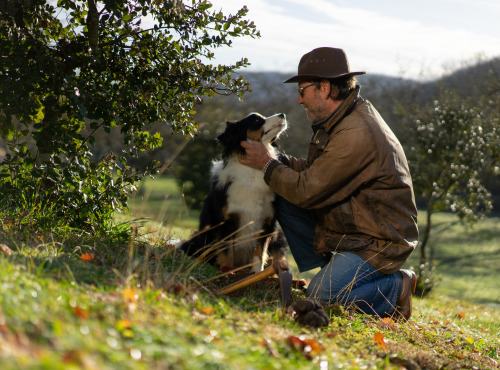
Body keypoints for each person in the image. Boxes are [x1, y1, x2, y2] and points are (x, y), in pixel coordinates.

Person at [239, 47, 419, 321]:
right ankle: (334, 272)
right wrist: (277, 160)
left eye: (302, 91)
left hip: (378, 241)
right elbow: (316, 174)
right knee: (280, 188)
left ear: (324, 88)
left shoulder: (355, 132)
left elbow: (308, 190)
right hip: (355, 229)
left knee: (321, 299)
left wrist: (266, 163)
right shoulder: (339, 120)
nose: (299, 100)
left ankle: (396, 288)